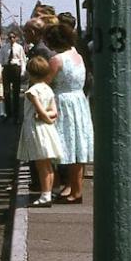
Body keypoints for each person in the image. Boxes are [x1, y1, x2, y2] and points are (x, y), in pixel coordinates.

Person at [45, 23, 94, 202]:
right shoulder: (77, 56)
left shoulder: (56, 60)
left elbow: (46, 83)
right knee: (77, 148)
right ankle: (75, 189)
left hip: (62, 104)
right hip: (79, 102)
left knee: (62, 147)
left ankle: (68, 189)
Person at [17, 57, 62, 207]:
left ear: (30, 73)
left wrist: (44, 117)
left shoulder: (32, 91)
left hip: (36, 129)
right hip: (48, 129)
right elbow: (54, 111)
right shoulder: (48, 89)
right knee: (48, 164)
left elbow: (41, 112)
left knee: (41, 164)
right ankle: (47, 193)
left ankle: (44, 195)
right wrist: (49, 119)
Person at [0, 31, 27, 122]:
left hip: (16, 69)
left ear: (16, 38)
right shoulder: (3, 48)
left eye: (13, 37)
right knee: (6, 93)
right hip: (6, 69)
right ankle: (8, 113)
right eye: (10, 37)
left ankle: (16, 115)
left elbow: (23, 60)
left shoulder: (19, 48)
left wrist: (22, 72)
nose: (11, 39)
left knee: (16, 93)